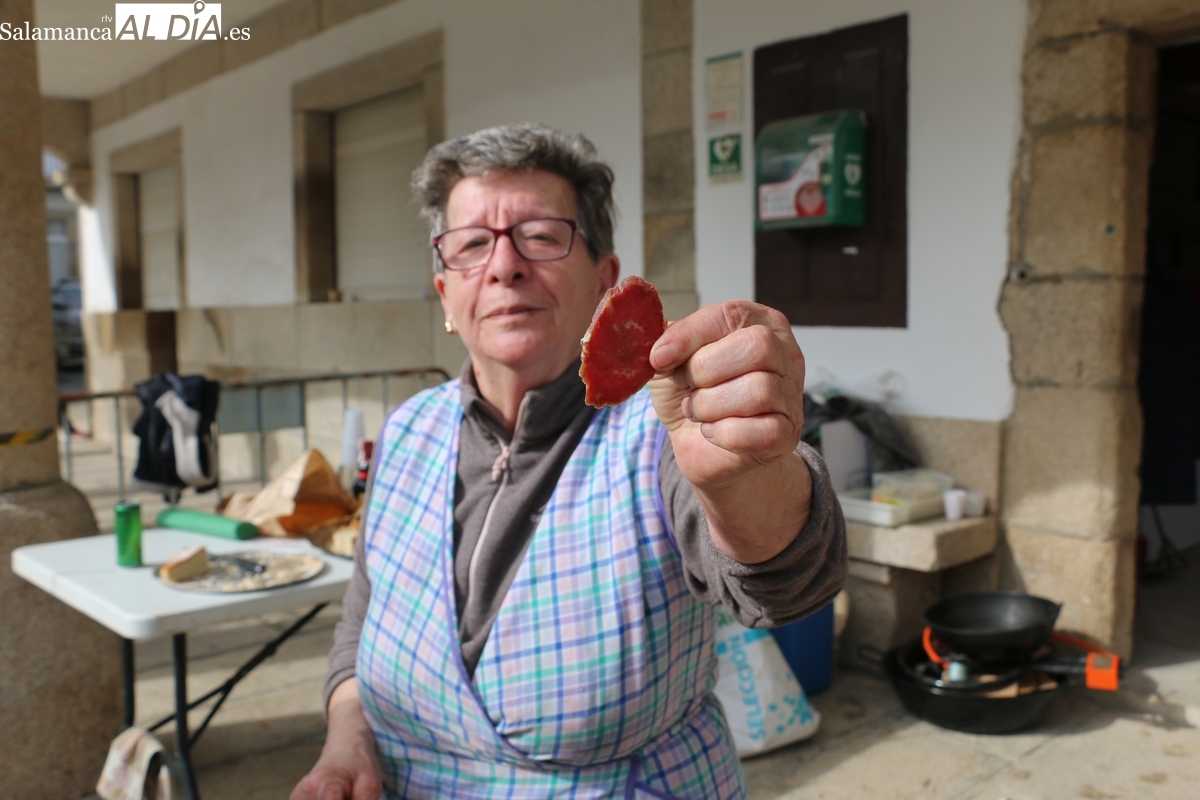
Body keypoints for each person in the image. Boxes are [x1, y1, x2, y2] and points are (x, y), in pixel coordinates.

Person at [292, 124, 847, 800]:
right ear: (445, 295)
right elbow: (362, 618)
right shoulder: (408, 432)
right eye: (471, 245)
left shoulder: (664, 430)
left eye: (542, 236)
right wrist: (348, 739)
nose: (504, 266)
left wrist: (749, 472)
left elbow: (784, 581)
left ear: (605, 281)